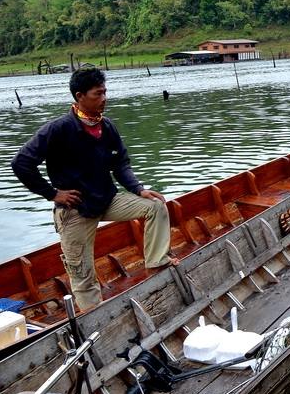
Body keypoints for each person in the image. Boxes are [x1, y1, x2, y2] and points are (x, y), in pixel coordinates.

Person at [12, 68, 173, 309]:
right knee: (83, 276)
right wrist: (53, 194)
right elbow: (21, 163)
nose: (104, 98)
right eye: (98, 94)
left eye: (105, 92)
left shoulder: (106, 126)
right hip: (75, 209)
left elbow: (120, 164)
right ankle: (96, 321)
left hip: (106, 199)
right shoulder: (58, 129)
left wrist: (138, 189)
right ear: (80, 96)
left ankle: (157, 265)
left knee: (156, 206)